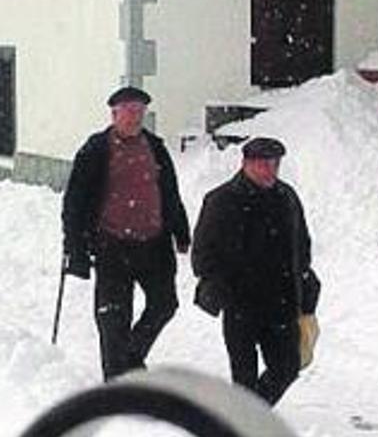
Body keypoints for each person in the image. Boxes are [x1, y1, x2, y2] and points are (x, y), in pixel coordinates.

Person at [61, 85, 191, 381]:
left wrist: (181, 232)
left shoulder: (155, 147)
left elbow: (169, 192)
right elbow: (75, 203)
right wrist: (75, 247)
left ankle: (130, 357)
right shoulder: (95, 150)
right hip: (113, 244)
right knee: (112, 316)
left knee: (164, 305)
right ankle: (114, 377)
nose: (134, 117)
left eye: (139, 112)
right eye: (129, 111)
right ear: (114, 113)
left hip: (154, 244)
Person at [191, 137, 320, 406]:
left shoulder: (287, 197)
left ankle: (248, 413)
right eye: (263, 164)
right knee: (244, 377)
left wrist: (305, 279)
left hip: (281, 301)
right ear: (246, 164)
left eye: (275, 164)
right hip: (241, 304)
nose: (270, 171)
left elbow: (301, 243)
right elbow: (203, 253)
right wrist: (217, 283)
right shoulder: (221, 200)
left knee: (287, 367)